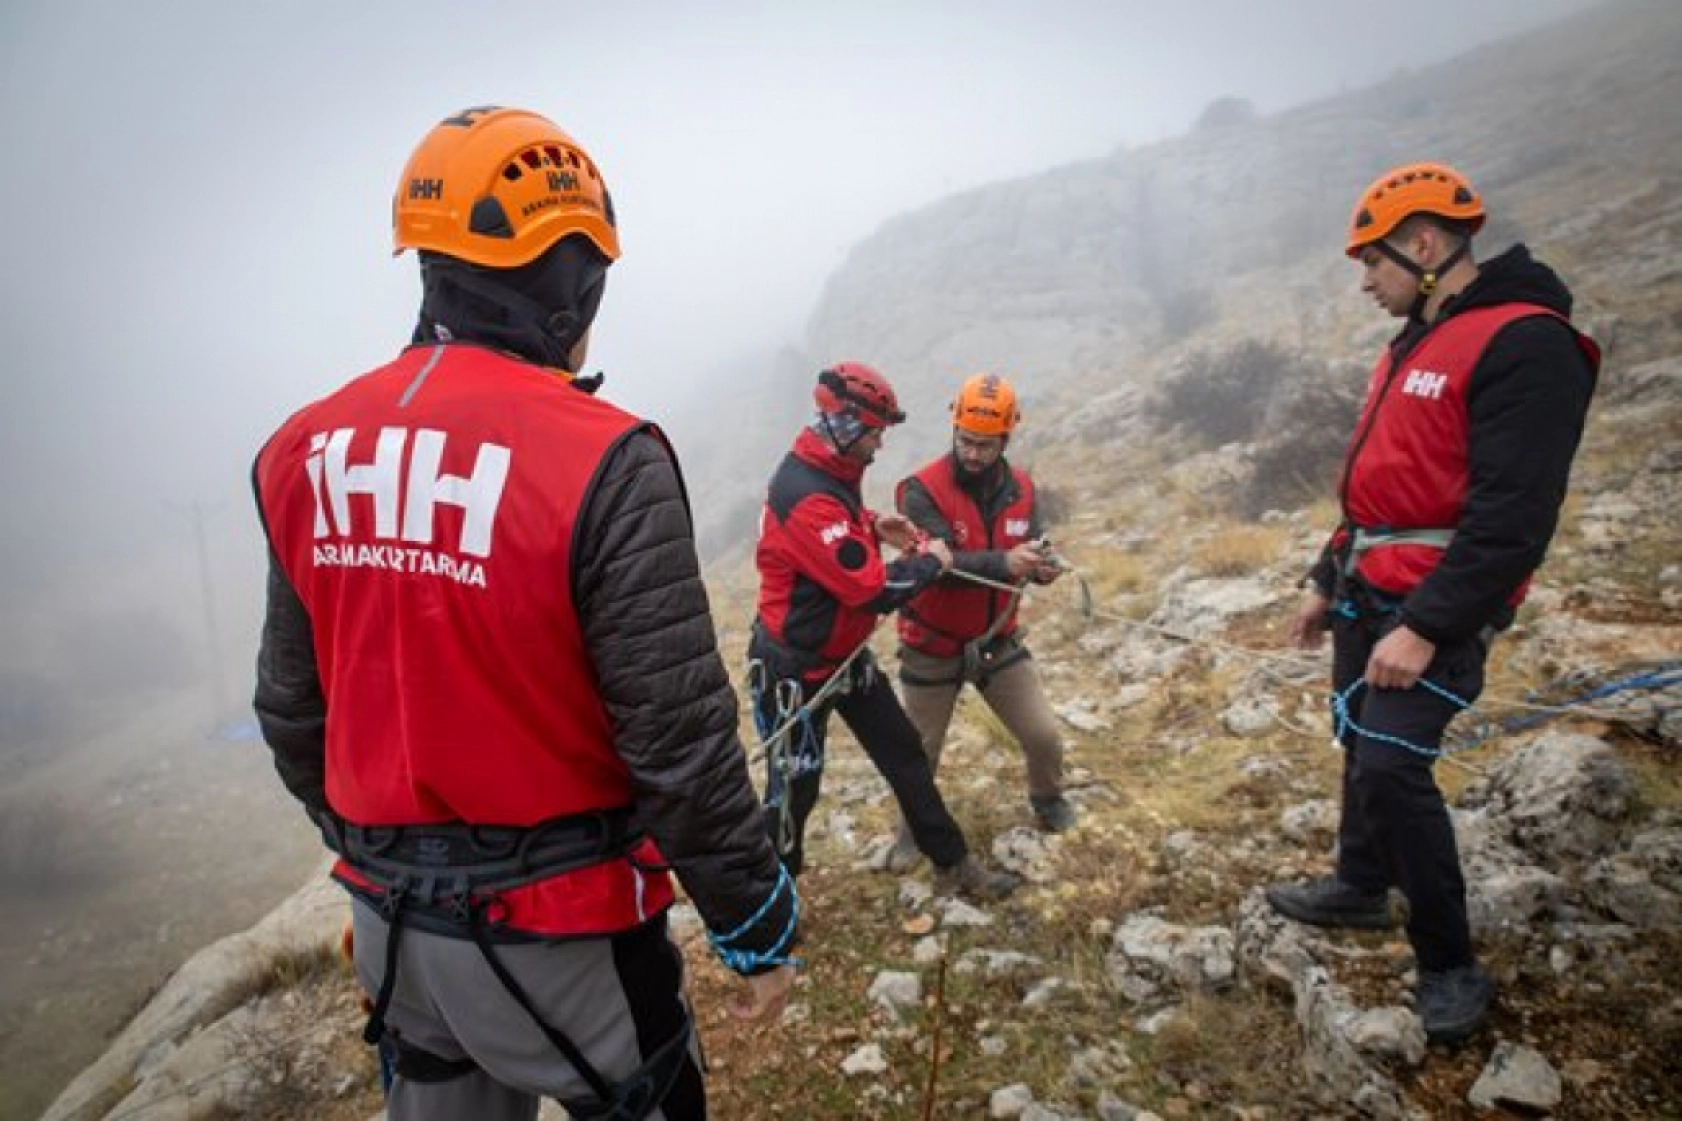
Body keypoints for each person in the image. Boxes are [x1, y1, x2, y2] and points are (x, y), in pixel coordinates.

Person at [252, 105, 798, 1121]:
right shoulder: (604, 456)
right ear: (573, 285)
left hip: (395, 932)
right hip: (568, 934)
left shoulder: (303, 448)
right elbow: (675, 743)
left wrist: (377, 854)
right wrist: (753, 919)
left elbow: (290, 707)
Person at [1265, 162, 1600, 1045]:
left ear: (1422, 245)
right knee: (1357, 735)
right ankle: (1359, 884)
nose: (1364, 281)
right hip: (1368, 593)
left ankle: (1448, 960)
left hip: (1432, 608)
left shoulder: (1527, 343)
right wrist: (1324, 578)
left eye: (1370, 262)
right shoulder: (1414, 340)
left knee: (1390, 764)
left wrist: (1428, 625)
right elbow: (1379, 486)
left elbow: (1514, 517)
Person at [749, 363, 1020, 901]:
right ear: (846, 426)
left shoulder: (826, 470)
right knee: (793, 794)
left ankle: (954, 862)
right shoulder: (807, 493)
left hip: (844, 657)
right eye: (874, 432)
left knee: (905, 756)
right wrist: (933, 562)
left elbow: (834, 528)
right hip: (795, 674)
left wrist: (872, 523)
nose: (878, 444)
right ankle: (771, 902)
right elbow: (870, 590)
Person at [885, 373, 1074, 872]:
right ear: (954, 430)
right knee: (919, 754)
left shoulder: (1023, 490)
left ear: (1005, 439)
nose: (972, 453)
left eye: (984, 445)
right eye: (965, 441)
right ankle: (910, 835)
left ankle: (1048, 800)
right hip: (932, 641)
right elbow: (939, 566)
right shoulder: (920, 491)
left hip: (996, 640)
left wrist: (1040, 568)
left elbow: (1026, 551)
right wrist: (1005, 564)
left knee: (1044, 737)